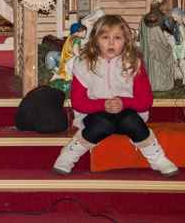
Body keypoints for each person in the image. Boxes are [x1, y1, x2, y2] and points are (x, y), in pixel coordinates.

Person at [52, 15, 179, 178]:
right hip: (95, 115)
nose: (111, 43)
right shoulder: (83, 64)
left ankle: (158, 159)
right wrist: (102, 105)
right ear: (95, 40)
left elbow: (145, 100)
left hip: (127, 112)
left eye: (117, 38)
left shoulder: (133, 64)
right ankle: (69, 154)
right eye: (105, 37)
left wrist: (124, 103)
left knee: (131, 120)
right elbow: (78, 102)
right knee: (104, 122)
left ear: (126, 40)